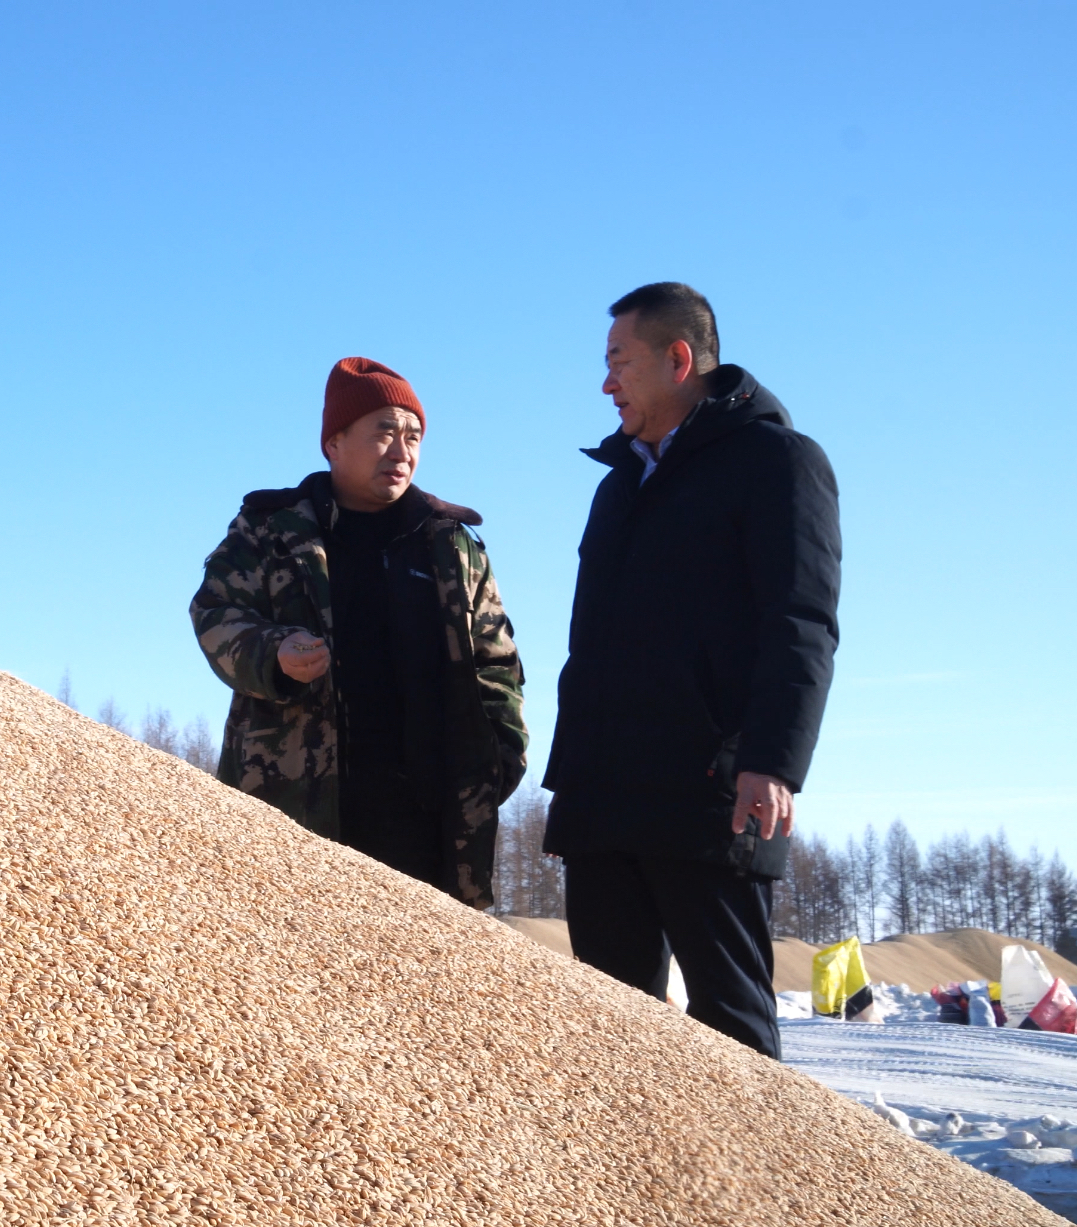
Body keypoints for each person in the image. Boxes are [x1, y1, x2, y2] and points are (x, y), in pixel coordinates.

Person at [542, 283, 842, 1058]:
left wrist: (770, 761)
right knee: (612, 1035)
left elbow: (800, 622)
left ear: (679, 359)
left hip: (710, 796)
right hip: (601, 796)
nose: (606, 382)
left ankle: (756, 1181)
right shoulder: (618, 486)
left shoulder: (777, 462)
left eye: (619, 361)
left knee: (732, 1035)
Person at [190, 357, 527, 907]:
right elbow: (216, 613)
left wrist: (497, 762)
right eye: (384, 433)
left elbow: (498, 666)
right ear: (334, 442)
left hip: (428, 825)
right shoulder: (272, 529)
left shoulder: (451, 545)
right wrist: (275, 655)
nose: (402, 452)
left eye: (413, 436)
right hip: (294, 809)